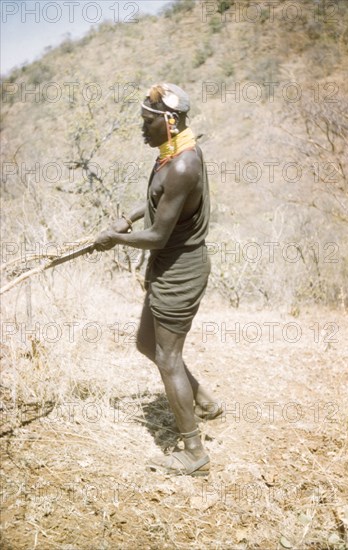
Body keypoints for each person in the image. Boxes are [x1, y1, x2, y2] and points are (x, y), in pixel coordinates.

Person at [93, 83, 221, 476]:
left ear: (170, 121)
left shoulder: (183, 165)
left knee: (167, 356)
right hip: (169, 267)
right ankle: (204, 401)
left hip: (180, 271)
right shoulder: (173, 153)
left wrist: (116, 239)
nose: (141, 128)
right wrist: (129, 218)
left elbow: (158, 237)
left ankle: (194, 452)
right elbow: (159, 200)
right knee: (147, 343)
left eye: (147, 122)